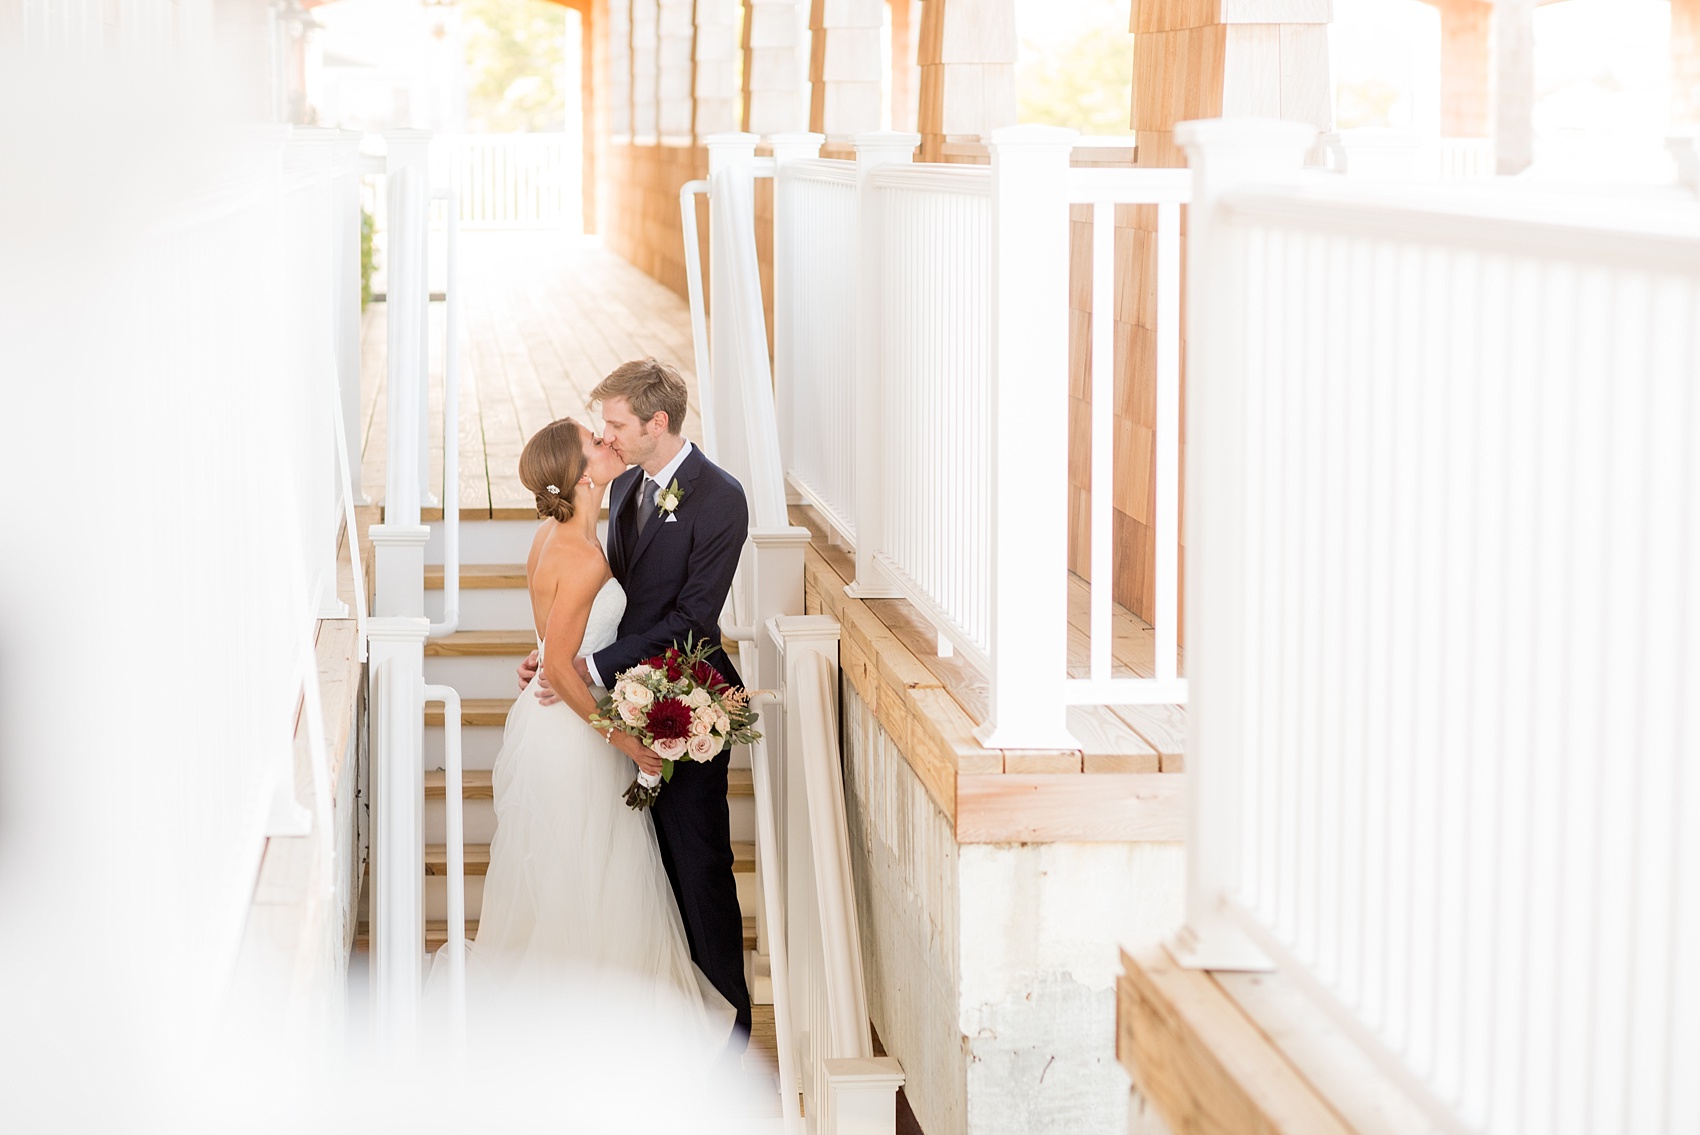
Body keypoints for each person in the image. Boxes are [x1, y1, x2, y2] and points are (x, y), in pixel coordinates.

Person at [435, 415, 732, 1047]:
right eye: (593, 442)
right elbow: (567, 672)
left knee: (567, 876)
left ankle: (572, 1016)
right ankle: (588, 1030)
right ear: (579, 474)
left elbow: (553, 644)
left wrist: (543, 656)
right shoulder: (586, 557)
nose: (606, 442)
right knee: (586, 877)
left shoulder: (547, 537)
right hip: (573, 736)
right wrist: (626, 743)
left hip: (547, 726)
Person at [517, 358, 753, 1046]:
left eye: (617, 424)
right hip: (608, 703)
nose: (608, 437)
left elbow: (693, 616)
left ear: (658, 422)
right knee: (630, 879)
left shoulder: (720, 497)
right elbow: (589, 600)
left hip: (685, 696)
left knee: (696, 862)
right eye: (602, 430)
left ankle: (726, 1031)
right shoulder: (619, 491)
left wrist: (580, 662)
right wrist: (555, 654)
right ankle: (653, 1026)